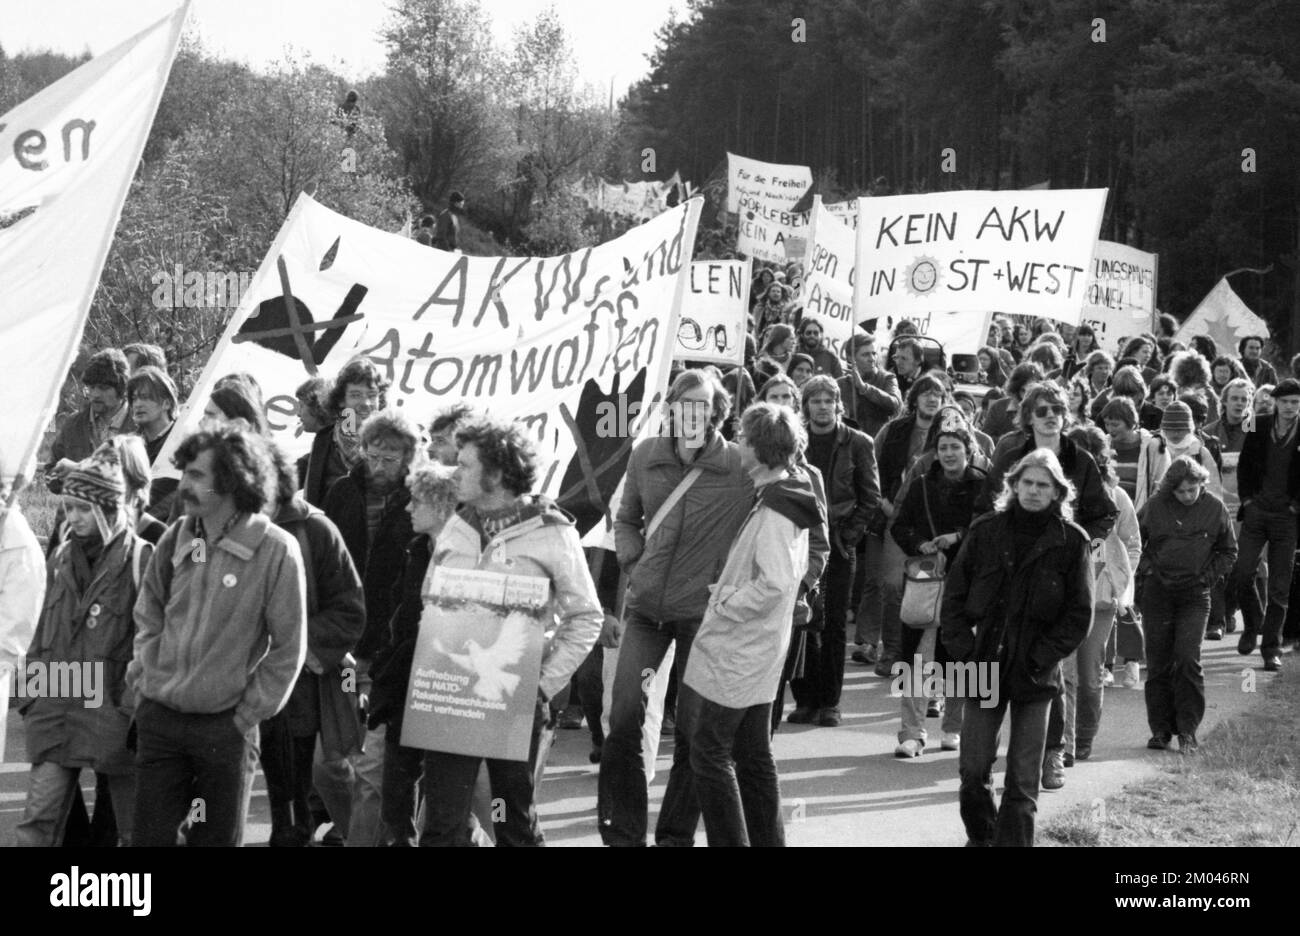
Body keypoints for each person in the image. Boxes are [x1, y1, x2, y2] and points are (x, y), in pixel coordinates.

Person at [423, 417, 602, 846]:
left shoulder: (552, 532)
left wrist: (542, 685)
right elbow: (429, 596)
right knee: (441, 826)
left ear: (497, 474)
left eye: (465, 465)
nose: (455, 472)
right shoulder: (456, 525)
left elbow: (587, 616)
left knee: (511, 822)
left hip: (516, 705)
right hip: (452, 698)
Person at [130, 423, 307, 846]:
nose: (183, 483)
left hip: (224, 732)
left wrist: (246, 714)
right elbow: (148, 610)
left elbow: (289, 648)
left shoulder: (276, 550)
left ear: (231, 481)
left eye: (196, 475)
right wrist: (147, 677)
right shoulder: (179, 535)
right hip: (161, 719)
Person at [598, 369, 754, 847]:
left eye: (701, 403)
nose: (690, 411)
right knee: (623, 718)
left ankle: (674, 836)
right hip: (645, 608)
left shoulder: (739, 466)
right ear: (669, 407)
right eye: (682, 402)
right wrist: (632, 555)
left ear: (716, 412)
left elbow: (787, 507)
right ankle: (623, 835)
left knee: (692, 732)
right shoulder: (645, 454)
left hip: (701, 616)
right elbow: (626, 519)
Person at [680, 402, 823, 846]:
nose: (737, 444)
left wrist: (725, 602)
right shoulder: (784, 495)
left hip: (743, 648)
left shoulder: (778, 508)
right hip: (757, 648)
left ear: (760, 450)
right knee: (752, 755)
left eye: (743, 438)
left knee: (709, 751)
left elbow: (776, 584)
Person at [942, 448, 1092, 847]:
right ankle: (984, 838)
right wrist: (964, 650)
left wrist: (1042, 656)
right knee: (973, 773)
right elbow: (953, 597)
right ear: (1013, 485)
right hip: (981, 662)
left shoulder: (1071, 541)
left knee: (1023, 786)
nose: (1033, 491)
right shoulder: (986, 530)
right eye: (1027, 482)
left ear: (1058, 492)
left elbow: (1080, 615)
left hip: (1036, 669)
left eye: (1043, 485)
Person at [979, 381, 1117, 788]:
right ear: (1028, 417)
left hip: (1057, 571)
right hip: (1008, 570)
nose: (1051, 415)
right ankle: (984, 753)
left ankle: (1052, 754)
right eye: (1041, 410)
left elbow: (1102, 512)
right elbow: (986, 508)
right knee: (995, 659)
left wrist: (1080, 544)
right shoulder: (1009, 454)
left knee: (1050, 665)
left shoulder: (1081, 458)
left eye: (1057, 408)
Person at [16, 448, 150, 846]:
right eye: (68, 507)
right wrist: (32, 702)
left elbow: (152, 644)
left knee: (137, 830)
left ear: (108, 508)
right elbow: (40, 636)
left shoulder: (143, 559)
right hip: (59, 708)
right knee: (37, 822)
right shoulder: (58, 558)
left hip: (115, 714)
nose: (71, 517)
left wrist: (131, 710)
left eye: (82, 507)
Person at [260, 445, 365, 847]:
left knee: (313, 786)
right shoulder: (223, 527)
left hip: (299, 691)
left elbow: (350, 611)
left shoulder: (315, 530)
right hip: (234, 691)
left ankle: (361, 834)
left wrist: (295, 650)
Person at [322, 409, 418, 846]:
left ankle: (368, 837)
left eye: (390, 458)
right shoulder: (342, 493)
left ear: (408, 459)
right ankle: (356, 832)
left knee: (372, 767)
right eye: (373, 455)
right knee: (330, 763)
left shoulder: (417, 500)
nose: (379, 466)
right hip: (342, 648)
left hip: (388, 654)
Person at [369, 464, 458, 846]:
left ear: (441, 507)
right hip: (405, 683)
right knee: (395, 801)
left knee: (447, 808)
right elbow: (400, 619)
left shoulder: (469, 557)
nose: (408, 509)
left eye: (416, 501)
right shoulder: (416, 551)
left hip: (449, 689)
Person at [889, 412, 984, 756]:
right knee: (915, 660)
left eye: (955, 447)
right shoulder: (921, 485)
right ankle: (910, 733)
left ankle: (955, 727)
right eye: (942, 447)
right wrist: (921, 544)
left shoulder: (983, 486)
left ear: (968, 450)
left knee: (964, 659)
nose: (948, 453)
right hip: (926, 583)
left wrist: (957, 537)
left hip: (968, 584)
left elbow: (990, 529)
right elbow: (899, 526)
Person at [787, 376, 879, 728]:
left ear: (838, 404)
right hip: (801, 540)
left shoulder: (858, 442)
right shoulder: (796, 440)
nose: (822, 406)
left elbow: (869, 496)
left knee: (835, 623)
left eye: (828, 400)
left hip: (839, 543)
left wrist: (849, 537)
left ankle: (830, 701)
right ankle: (805, 698)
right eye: (815, 400)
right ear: (806, 405)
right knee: (803, 619)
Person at [1136, 456, 1237, 752]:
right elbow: (1133, 541)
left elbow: (1229, 551)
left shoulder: (1215, 508)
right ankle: (1161, 729)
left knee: (1187, 659)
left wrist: (1207, 577)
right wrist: (1147, 571)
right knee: (1158, 663)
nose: (1187, 496)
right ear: (1171, 489)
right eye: (1181, 491)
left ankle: (1188, 730)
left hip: (1195, 594)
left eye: (1192, 490)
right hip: (1158, 593)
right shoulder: (1155, 506)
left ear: (1201, 484)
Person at [857, 373, 951, 676]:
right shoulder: (894, 430)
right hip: (896, 523)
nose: (932, 398)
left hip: (930, 529)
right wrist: (884, 505)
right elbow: (871, 469)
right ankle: (892, 652)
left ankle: (918, 661)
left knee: (922, 589)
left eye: (937, 393)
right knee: (892, 585)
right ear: (915, 398)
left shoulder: (951, 434)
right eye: (926, 392)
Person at [1068, 427, 1140, 761]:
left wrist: (1120, 584)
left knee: (1088, 671)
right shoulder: (1057, 492)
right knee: (1060, 672)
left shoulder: (1116, 497)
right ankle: (1060, 740)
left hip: (1100, 597)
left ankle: (1083, 737)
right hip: (1062, 594)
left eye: (1087, 452)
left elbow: (1132, 544)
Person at [1231, 377, 1300, 672]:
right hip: (1257, 511)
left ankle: (1271, 648)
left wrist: (1296, 505)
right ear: (1274, 402)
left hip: (1288, 516)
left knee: (1280, 587)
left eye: (1295, 402)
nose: (1289, 407)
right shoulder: (1256, 423)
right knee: (1242, 571)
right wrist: (1247, 500)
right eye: (1284, 402)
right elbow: (1244, 464)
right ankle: (1252, 623)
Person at [1204, 377, 1254, 638]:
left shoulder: (1255, 430)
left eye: (1245, 399)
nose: (1239, 403)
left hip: (1246, 509)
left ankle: (1231, 608)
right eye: (1234, 398)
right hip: (1218, 507)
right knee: (1219, 561)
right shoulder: (1210, 430)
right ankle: (1218, 620)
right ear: (1223, 401)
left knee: (1242, 566)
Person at [304, 358, 387, 507]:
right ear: (341, 400)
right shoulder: (324, 441)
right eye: (356, 395)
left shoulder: (395, 441)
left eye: (372, 395)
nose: (366, 403)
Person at [49, 349, 132, 469]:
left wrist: (80, 470)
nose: (96, 394)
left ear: (122, 389)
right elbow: (51, 470)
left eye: (103, 388)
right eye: (92, 388)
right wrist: (62, 478)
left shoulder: (142, 426)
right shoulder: (74, 425)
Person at [1133, 401, 1222, 510]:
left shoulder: (1200, 452)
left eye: (1180, 430)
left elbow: (1214, 489)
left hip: (1193, 513)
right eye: (1171, 429)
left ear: (1190, 429)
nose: (1176, 434)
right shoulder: (1152, 447)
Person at [837, 332, 902, 436]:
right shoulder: (840, 384)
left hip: (876, 444)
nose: (872, 358)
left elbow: (894, 406)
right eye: (865, 354)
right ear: (850, 358)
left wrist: (864, 388)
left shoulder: (887, 378)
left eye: (874, 353)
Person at [981, 362, 1044, 442]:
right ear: (1016, 390)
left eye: (1032, 390)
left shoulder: (1047, 409)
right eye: (1023, 391)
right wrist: (1008, 441)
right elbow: (986, 439)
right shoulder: (998, 408)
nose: (1027, 395)